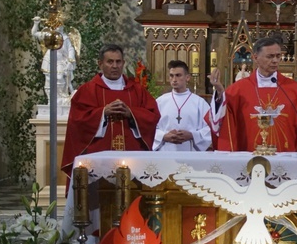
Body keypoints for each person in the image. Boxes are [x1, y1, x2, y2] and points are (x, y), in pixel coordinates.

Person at [210, 37, 297, 153]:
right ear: (255, 57)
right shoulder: (237, 90)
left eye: (278, 56)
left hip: (287, 158)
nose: (275, 60)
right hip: (248, 158)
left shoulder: (296, 90)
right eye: (270, 56)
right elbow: (220, 124)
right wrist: (220, 93)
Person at [61, 44, 160, 178]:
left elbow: (153, 115)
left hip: (132, 155)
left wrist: (132, 114)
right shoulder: (88, 90)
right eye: (110, 62)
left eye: (118, 62)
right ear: (100, 64)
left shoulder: (136, 90)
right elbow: (77, 121)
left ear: (123, 63)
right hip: (97, 156)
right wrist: (102, 113)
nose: (115, 66)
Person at [153, 60, 214, 152]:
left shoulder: (199, 103)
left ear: (187, 77)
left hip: (191, 154)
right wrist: (163, 136)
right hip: (165, 152)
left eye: (178, 75)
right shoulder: (160, 102)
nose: (174, 79)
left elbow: (211, 128)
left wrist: (192, 135)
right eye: (171, 75)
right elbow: (150, 127)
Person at [31, 16, 78, 106]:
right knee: (48, 80)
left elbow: (71, 50)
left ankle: (62, 99)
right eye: (56, 25)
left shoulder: (65, 38)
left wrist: (70, 62)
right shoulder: (48, 35)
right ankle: (51, 100)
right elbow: (34, 34)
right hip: (49, 60)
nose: (58, 27)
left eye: (59, 25)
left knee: (60, 79)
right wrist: (36, 24)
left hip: (61, 62)